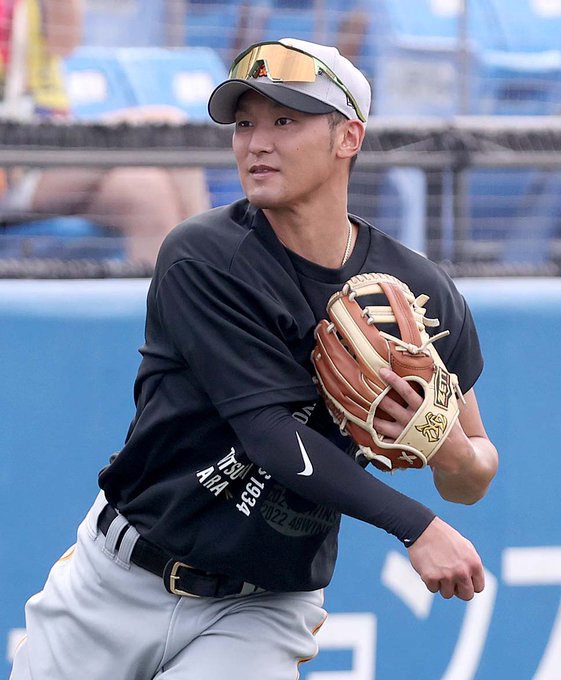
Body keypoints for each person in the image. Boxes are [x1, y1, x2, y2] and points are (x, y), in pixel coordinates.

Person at [10, 37, 499, 679]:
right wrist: (416, 525)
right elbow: (269, 434)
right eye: (245, 124)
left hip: (261, 610)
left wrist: (449, 449)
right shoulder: (204, 257)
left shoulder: (418, 289)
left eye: (285, 121)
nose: (256, 143)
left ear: (348, 137)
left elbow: (475, 472)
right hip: (119, 581)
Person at [0, 0, 210, 266]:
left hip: (51, 151)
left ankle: (182, 286)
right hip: (13, 168)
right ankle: (212, 265)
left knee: (148, 192)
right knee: (168, 127)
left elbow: (64, 42)